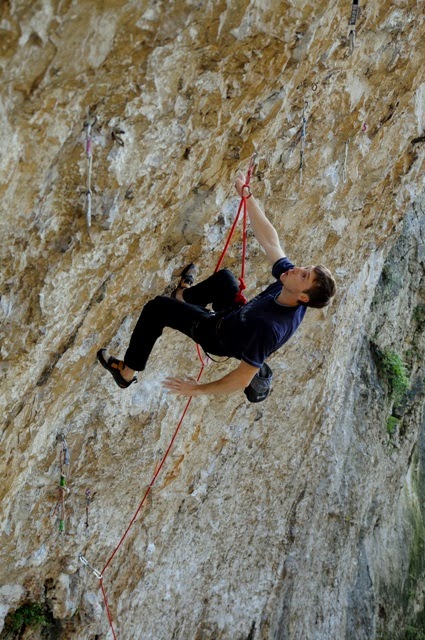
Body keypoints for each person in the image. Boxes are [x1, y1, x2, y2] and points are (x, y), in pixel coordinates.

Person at [97, 173, 336, 397]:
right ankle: (182, 298)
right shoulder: (290, 282)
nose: (297, 269)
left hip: (216, 334)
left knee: (157, 308)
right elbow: (271, 242)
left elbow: (242, 378)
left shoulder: (270, 328)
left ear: (303, 297)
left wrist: (196, 390)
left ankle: (126, 373)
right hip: (237, 316)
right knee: (226, 280)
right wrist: (248, 198)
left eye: (304, 276)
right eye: (306, 268)